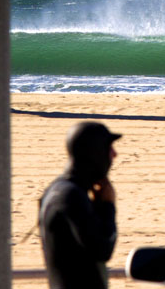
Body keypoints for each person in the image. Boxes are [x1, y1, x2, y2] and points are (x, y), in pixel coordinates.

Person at [39, 122, 121, 289]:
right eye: (109, 148)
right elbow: (103, 249)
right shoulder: (70, 196)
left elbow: (81, 250)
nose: (114, 154)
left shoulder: (59, 190)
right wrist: (108, 206)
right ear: (95, 153)